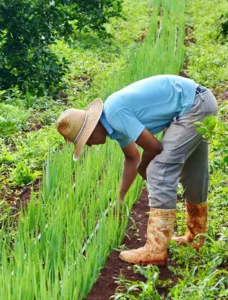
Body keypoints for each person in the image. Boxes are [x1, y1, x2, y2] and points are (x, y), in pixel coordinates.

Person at [55, 75, 218, 266]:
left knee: (159, 170)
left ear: (90, 130)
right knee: (193, 172)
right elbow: (132, 157)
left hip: (194, 107)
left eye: (85, 141)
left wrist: (145, 167)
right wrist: (120, 197)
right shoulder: (112, 122)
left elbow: (154, 148)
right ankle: (195, 237)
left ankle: (156, 250)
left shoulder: (115, 113)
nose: (89, 146)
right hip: (201, 102)